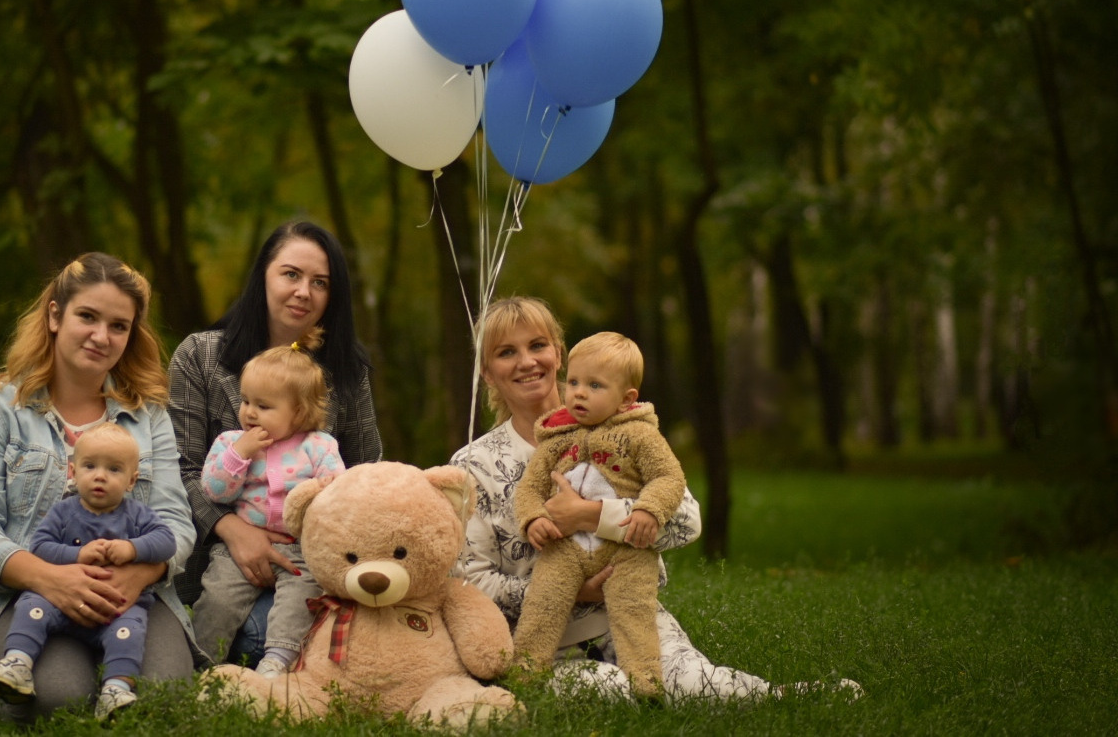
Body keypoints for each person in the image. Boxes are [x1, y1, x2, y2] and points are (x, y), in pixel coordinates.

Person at [450, 296, 863, 702]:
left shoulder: (624, 426)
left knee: (699, 689)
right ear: (487, 373)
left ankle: (783, 697)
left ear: (559, 354)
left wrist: (592, 516)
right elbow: (467, 581)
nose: (527, 361)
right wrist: (575, 590)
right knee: (605, 693)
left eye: (537, 345)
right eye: (507, 352)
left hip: (630, 616)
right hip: (543, 642)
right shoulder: (475, 465)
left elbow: (686, 521)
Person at [0, 253, 198, 723]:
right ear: (55, 315)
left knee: (163, 700)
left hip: (130, 594)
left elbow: (176, 522)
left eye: (119, 326)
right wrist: (50, 578)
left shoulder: (149, 417)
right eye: (88, 316)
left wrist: (137, 575)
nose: (102, 336)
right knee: (56, 699)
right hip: (24, 595)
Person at [169, 219, 382, 664]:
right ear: (263, 276)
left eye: (320, 283)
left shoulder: (345, 371)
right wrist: (234, 531)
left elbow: (365, 474)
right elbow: (178, 469)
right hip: (218, 562)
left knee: (273, 634)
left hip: (306, 563)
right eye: (291, 274)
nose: (304, 291)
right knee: (243, 631)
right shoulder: (201, 356)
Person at [513, 332, 686, 698]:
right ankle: (524, 674)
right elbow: (528, 489)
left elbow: (669, 477)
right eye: (573, 382)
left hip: (625, 549)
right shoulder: (556, 440)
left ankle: (646, 683)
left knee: (634, 609)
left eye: (594, 385)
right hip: (565, 547)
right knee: (543, 601)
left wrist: (649, 509)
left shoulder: (640, 435)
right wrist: (533, 519)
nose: (578, 393)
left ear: (627, 399)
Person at [0, 423, 177, 721]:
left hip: (116, 606)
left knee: (131, 629)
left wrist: (132, 549)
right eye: (90, 466)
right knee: (31, 604)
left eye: (114, 469)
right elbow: (41, 547)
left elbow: (167, 541)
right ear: (72, 472)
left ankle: (116, 688)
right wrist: (78, 554)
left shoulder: (137, 515)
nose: (100, 475)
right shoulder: (63, 512)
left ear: (132, 480)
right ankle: (17, 662)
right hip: (60, 600)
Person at [191, 328, 345, 675]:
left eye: (264, 406)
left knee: (299, 597)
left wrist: (322, 491)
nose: (250, 413)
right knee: (218, 597)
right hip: (241, 547)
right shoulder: (232, 442)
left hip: (299, 548)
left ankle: (277, 659)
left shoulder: (318, 446)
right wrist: (238, 456)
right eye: (246, 401)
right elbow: (214, 491)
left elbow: (338, 493)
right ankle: (201, 661)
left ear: (300, 412)